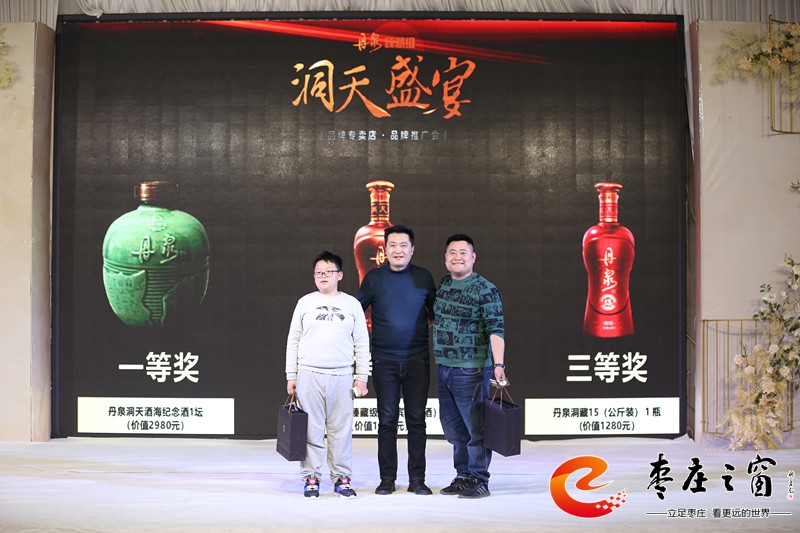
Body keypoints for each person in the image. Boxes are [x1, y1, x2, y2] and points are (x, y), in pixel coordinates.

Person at [356, 225, 437, 496]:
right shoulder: (373, 278)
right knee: (387, 422)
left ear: (412, 249)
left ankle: (417, 479)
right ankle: (387, 479)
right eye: (392, 245)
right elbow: (355, 313)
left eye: (403, 245)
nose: (398, 250)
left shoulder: (423, 277)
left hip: (417, 361)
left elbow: (435, 313)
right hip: (384, 362)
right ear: (385, 249)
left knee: (417, 422)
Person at [285, 250, 370, 499]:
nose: (323, 276)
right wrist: (292, 374)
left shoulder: (352, 304)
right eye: (318, 273)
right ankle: (311, 477)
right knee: (310, 429)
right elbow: (293, 340)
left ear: (339, 275)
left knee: (341, 430)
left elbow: (361, 342)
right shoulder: (305, 302)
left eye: (328, 272)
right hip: (309, 374)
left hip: (342, 375)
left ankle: (341, 478)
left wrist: (361, 376)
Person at [433, 234, 506, 499]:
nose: (457, 257)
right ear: (445, 257)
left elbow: (496, 328)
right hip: (444, 368)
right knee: (455, 429)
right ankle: (463, 476)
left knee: (476, 430)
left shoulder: (485, 289)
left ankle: (479, 479)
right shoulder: (444, 284)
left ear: (473, 257)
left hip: (472, 370)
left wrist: (498, 364)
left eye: (463, 252)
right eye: (452, 252)